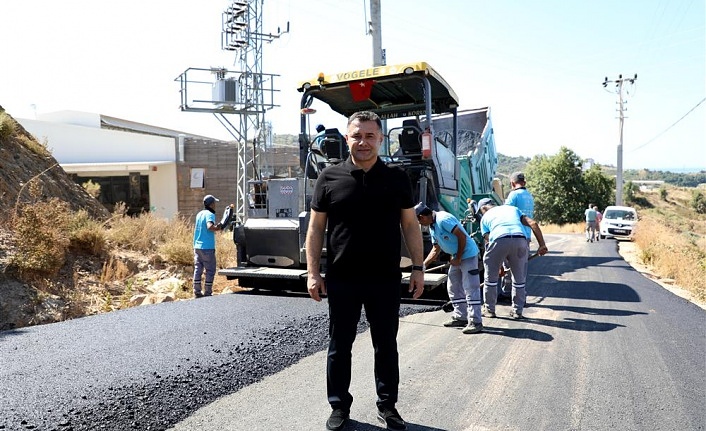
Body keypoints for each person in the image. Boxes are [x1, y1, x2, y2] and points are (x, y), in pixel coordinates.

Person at [305, 111, 425, 431]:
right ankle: (339, 406)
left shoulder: (397, 178)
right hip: (342, 278)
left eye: (370, 136)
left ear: (380, 139)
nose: (363, 142)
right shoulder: (329, 177)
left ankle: (388, 406)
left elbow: (410, 225)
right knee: (339, 345)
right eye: (357, 135)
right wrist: (313, 272)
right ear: (347, 138)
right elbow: (316, 229)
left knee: (385, 344)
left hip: (384, 278)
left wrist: (418, 267)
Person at [415, 202, 483, 334]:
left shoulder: (443, 219)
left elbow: (462, 236)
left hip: (467, 255)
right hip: (456, 257)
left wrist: (457, 257)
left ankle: (476, 321)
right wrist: (423, 265)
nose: (420, 224)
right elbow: (436, 249)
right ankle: (460, 316)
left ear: (422, 216)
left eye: (418, 220)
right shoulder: (432, 226)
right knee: (453, 286)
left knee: (470, 287)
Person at [477, 198, 548, 319]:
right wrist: (542, 245)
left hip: (498, 240)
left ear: (483, 208)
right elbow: (533, 224)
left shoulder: (485, 217)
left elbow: (490, 241)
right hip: (520, 240)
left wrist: (498, 266)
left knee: (490, 279)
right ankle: (517, 311)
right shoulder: (513, 209)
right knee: (519, 280)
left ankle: (489, 310)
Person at [501, 171, 535, 301]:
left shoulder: (513, 195)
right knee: (521, 268)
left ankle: (507, 294)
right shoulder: (529, 196)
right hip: (526, 235)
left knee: (509, 266)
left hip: (514, 234)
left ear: (512, 183)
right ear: (524, 182)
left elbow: (506, 212)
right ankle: (521, 296)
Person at [192, 194, 225, 298]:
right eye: (214, 203)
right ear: (211, 204)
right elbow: (210, 226)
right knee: (210, 270)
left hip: (197, 246)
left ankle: (197, 291)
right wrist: (218, 227)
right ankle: (208, 292)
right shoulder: (210, 214)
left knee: (198, 269)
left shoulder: (199, 214)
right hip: (207, 247)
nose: (215, 205)